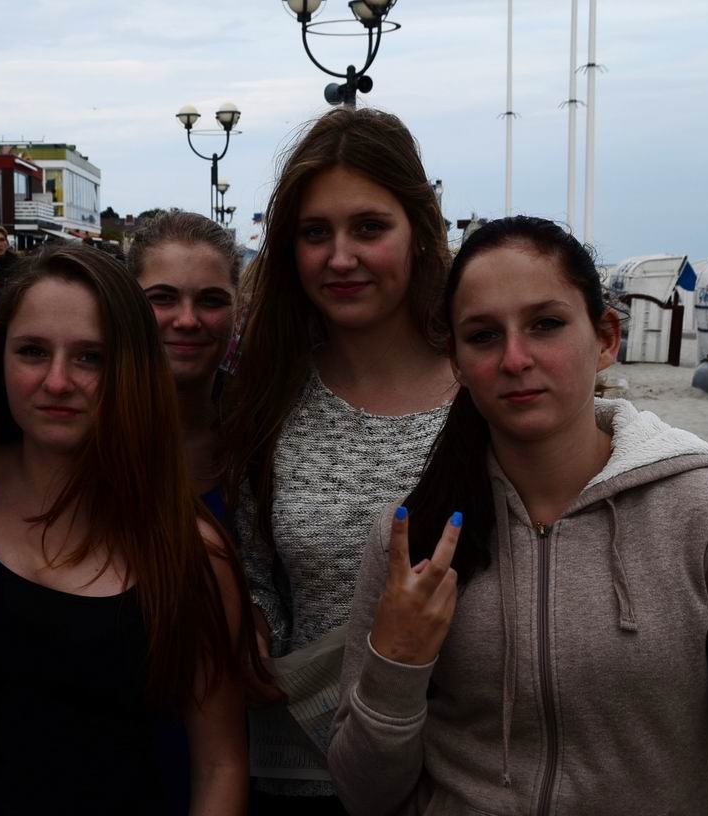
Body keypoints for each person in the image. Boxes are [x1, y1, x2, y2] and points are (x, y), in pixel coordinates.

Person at [328, 216, 708, 814]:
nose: (515, 358)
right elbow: (362, 794)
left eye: (546, 324)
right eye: (483, 335)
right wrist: (397, 664)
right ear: (456, 360)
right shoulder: (414, 536)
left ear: (606, 338)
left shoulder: (707, 513)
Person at [0, 243, 263, 815]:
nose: (57, 381)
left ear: (132, 369)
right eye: (32, 351)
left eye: (91, 358)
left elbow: (220, 765)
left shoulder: (190, 550)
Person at [218, 107, 454, 811]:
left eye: (369, 228)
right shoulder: (271, 393)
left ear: (419, 232)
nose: (340, 257)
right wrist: (254, 624)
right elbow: (256, 564)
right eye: (315, 233)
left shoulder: (484, 389)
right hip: (309, 775)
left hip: (461, 776)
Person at [127, 210, 241, 524]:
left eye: (211, 300)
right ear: (127, 302)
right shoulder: (81, 428)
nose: (187, 321)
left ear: (238, 308)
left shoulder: (270, 435)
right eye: (163, 298)